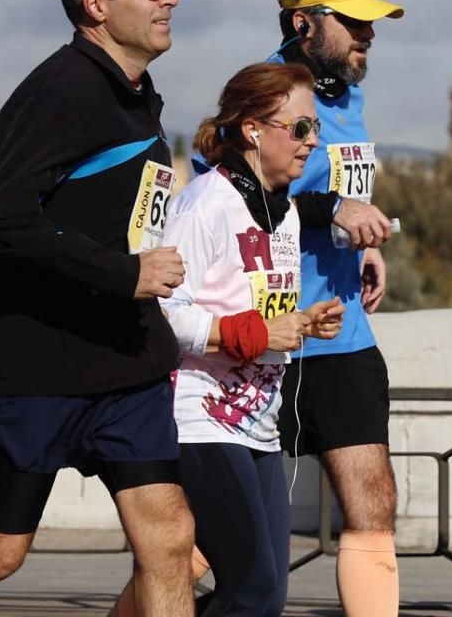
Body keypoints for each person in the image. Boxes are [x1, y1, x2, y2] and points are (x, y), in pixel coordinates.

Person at [0, 0, 195, 616]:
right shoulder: (60, 90)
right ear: (96, 4)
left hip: (127, 366)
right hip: (37, 369)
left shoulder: (136, 92)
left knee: (169, 541)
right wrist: (122, 274)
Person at [112, 62, 346, 616]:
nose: (312, 143)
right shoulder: (205, 204)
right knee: (254, 591)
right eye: (300, 129)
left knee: (267, 593)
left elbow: (254, 309)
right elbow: (161, 313)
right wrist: (256, 332)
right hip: (198, 418)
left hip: (259, 425)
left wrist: (303, 322)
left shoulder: (284, 212)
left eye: (316, 130)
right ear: (253, 129)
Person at [265, 0, 403, 616]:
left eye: (372, 21)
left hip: (343, 332)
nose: (369, 35)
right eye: (355, 22)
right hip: (268, 341)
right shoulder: (262, 94)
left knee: (372, 505)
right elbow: (231, 202)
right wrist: (331, 211)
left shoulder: (348, 94)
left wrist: (361, 245)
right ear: (305, 24)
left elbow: (338, 192)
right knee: (213, 541)